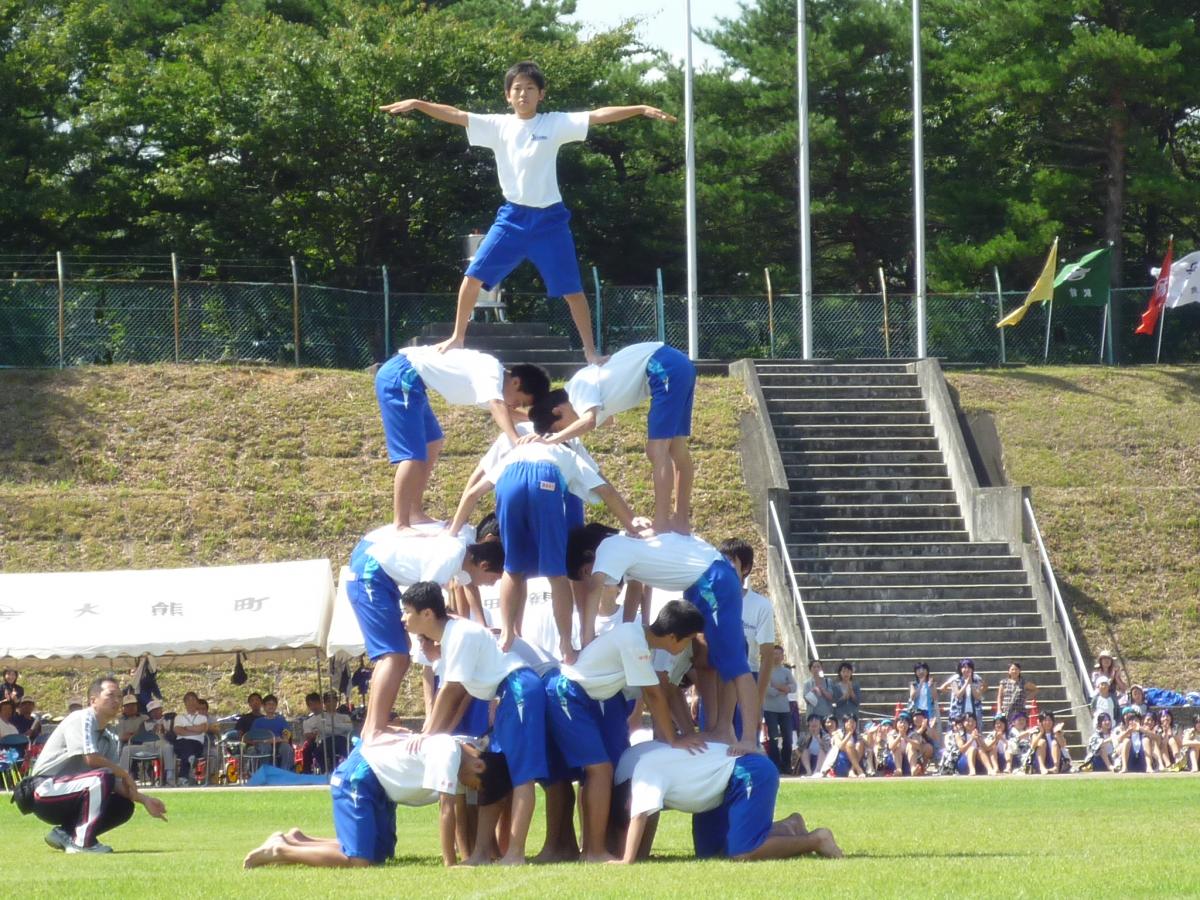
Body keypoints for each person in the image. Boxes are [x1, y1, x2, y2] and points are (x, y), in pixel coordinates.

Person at [379, 60, 676, 366]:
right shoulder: (498, 125)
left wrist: (639, 108)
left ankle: (590, 352)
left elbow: (598, 115)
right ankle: (458, 337)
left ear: (541, 94)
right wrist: (417, 103)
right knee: (472, 277)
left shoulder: (554, 123)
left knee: (572, 290)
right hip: (512, 219)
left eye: (530, 89)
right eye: (517, 89)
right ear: (508, 95)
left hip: (550, 221)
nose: (523, 94)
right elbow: (455, 114)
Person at [447, 431, 644, 662]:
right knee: (556, 573)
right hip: (545, 479)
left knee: (512, 568)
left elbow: (472, 493)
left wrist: (452, 533)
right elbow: (606, 490)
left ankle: (508, 635)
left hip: (509, 481)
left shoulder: (514, 453)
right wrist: (632, 523)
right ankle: (566, 646)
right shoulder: (569, 455)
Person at [567, 525, 761, 755]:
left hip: (711, 580)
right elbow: (635, 587)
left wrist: (587, 642)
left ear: (591, 554)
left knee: (734, 661)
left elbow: (593, 592)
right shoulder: (627, 546)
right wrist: (630, 629)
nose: (589, 577)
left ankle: (748, 738)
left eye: (585, 572)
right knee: (714, 658)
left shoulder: (610, 547)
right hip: (696, 584)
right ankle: (720, 729)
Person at [543, 599, 708, 863]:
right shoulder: (636, 642)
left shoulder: (638, 636)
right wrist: (674, 739)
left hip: (589, 699)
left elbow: (655, 691)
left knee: (603, 770)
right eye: (688, 640)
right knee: (600, 770)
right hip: (568, 693)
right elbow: (653, 694)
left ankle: (592, 847)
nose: (687, 646)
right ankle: (594, 852)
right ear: (674, 637)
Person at [403, 581, 551, 866]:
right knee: (495, 771)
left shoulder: (461, 634)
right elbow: (456, 691)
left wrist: (428, 733)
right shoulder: (450, 639)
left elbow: (451, 690)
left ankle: (515, 854)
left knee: (521, 774)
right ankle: (482, 852)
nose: (403, 617)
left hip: (519, 688)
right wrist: (437, 731)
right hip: (505, 694)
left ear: (428, 614)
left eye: (407, 611)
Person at [243, 733, 511, 869]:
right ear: (478, 766)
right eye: (475, 786)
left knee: (380, 854)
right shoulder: (450, 751)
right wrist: (449, 865)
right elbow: (448, 810)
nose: (469, 789)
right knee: (360, 861)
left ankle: (298, 839)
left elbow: (459, 815)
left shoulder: (462, 758)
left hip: (380, 787)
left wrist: (468, 858)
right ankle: (279, 850)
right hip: (360, 777)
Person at [347, 523, 504, 744]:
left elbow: (468, 588)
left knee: (399, 652)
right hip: (369, 571)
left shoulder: (467, 553)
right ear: (485, 565)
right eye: (494, 579)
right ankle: (374, 729)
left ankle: (373, 726)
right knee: (394, 655)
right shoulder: (449, 561)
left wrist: (478, 624)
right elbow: (421, 601)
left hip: (378, 569)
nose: (491, 585)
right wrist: (428, 641)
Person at [373, 343, 549, 531]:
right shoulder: (491, 371)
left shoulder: (494, 386)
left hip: (413, 382)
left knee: (432, 442)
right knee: (412, 454)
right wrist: (516, 440)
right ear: (516, 382)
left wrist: (541, 420)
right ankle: (400, 523)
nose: (516, 406)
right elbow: (498, 406)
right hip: (401, 376)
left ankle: (414, 512)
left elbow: (504, 409)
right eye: (519, 401)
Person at [529, 342, 696, 534]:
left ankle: (661, 525)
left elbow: (589, 422)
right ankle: (681, 522)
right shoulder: (584, 399)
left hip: (662, 365)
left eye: (561, 427)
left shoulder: (577, 387)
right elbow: (608, 419)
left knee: (656, 450)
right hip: (678, 364)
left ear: (557, 411)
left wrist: (552, 439)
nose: (568, 431)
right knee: (677, 449)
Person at [613, 741, 842, 864]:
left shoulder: (644, 772)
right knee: (711, 853)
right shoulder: (639, 766)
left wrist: (627, 861)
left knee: (741, 852)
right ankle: (790, 826)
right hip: (719, 786)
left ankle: (816, 840)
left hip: (748, 772)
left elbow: (639, 816)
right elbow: (641, 815)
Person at [19, 676, 166, 853]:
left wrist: (145, 800)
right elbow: (92, 759)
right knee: (104, 775)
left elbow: (114, 783)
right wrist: (125, 774)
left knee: (123, 805)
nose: (117, 701)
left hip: (73, 792)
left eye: (119, 696)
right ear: (93, 700)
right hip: (44, 791)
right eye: (111, 695)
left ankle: (64, 833)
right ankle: (81, 843)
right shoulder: (82, 717)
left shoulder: (111, 736)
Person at [718, 538, 776, 731]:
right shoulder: (710, 600)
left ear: (746, 568)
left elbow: (767, 657)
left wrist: (757, 703)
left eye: (731, 563)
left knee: (742, 747)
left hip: (747, 676)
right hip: (717, 678)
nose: (725, 568)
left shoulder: (761, 606)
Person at [762, 647, 796, 774]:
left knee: (788, 738)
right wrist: (782, 690)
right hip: (770, 709)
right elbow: (767, 689)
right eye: (774, 654)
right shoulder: (765, 671)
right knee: (773, 737)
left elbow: (793, 687)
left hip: (784, 709)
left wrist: (780, 687)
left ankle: (786, 764)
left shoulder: (786, 672)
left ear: (783, 656)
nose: (776, 656)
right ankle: (775, 764)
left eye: (779, 654)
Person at [172, 691, 209, 784]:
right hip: (181, 743)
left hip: (196, 744)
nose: (191, 702)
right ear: (185, 703)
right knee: (186, 748)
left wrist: (186, 728)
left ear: (197, 702)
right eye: (188, 700)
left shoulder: (202, 717)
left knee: (188, 750)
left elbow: (202, 728)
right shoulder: (179, 717)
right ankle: (190, 762)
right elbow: (177, 730)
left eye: (193, 700)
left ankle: (183, 777)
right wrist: (194, 731)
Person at [940, 659, 986, 726]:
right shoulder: (955, 680)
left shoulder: (976, 679)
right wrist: (966, 683)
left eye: (969, 667)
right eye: (964, 667)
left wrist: (971, 684)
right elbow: (958, 695)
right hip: (958, 712)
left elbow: (977, 696)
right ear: (960, 669)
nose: (967, 669)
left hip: (974, 712)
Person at [1030, 710, 1068, 775]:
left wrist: (1057, 733)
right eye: (1045, 720)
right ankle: (1042, 768)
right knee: (1042, 742)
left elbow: (1063, 745)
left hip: (1056, 759)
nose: (1047, 722)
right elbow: (1033, 746)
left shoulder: (1057, 731)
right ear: (1040, 722)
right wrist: (1041, 733)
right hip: (1039, 760)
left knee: (1054, 743)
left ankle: (1056, 768)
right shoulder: (1036, 732)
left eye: (1050, 720)